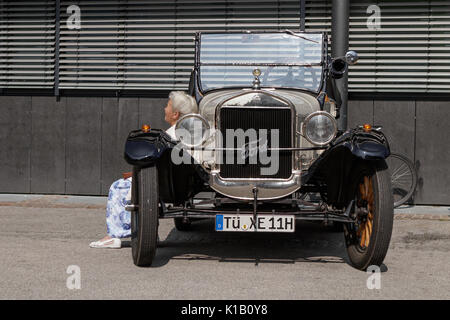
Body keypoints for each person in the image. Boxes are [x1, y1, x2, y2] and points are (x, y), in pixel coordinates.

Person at [89, 91, 198, 248]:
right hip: (185, 184)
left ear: (175, 114)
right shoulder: (195, 134)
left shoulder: (169, 136)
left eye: (167, 105)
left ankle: (114, 235)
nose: (164, 108)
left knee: (117, 186)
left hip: (163, 185)